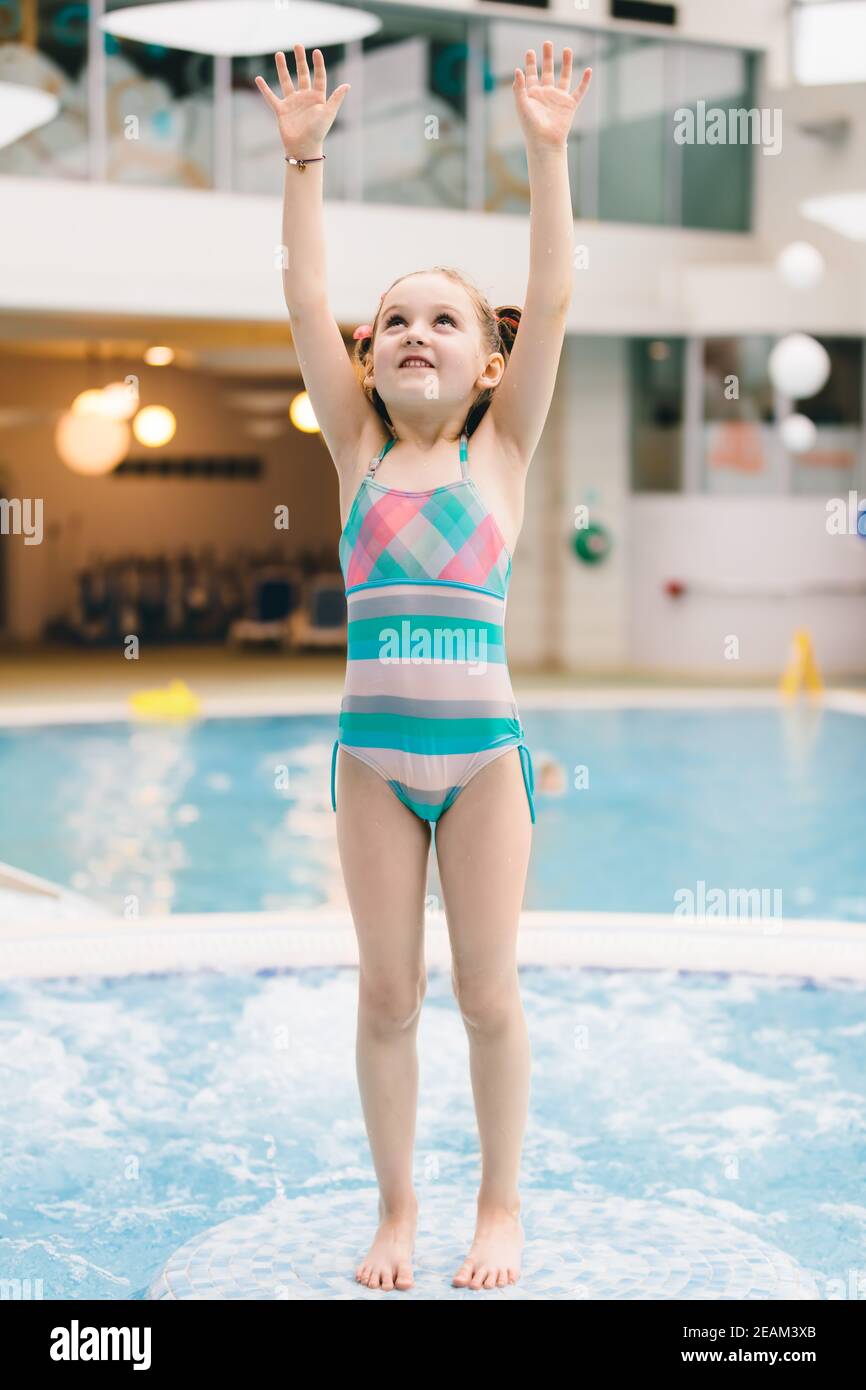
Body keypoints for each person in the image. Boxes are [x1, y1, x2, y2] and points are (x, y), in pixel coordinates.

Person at [256, 42, 591, 1293]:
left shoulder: (499, 453)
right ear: (367, 356)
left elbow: (548, 298)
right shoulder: (354, 453)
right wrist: (303, 159)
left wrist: (545, 154)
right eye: (393, 319)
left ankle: (498, 1205)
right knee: (387, 993)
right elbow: (302, 302)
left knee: (486, 994)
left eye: (443, 320)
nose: (413, 333)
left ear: (485, 360)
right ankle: (397, 1209)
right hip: (373, 769)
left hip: (485, 764)